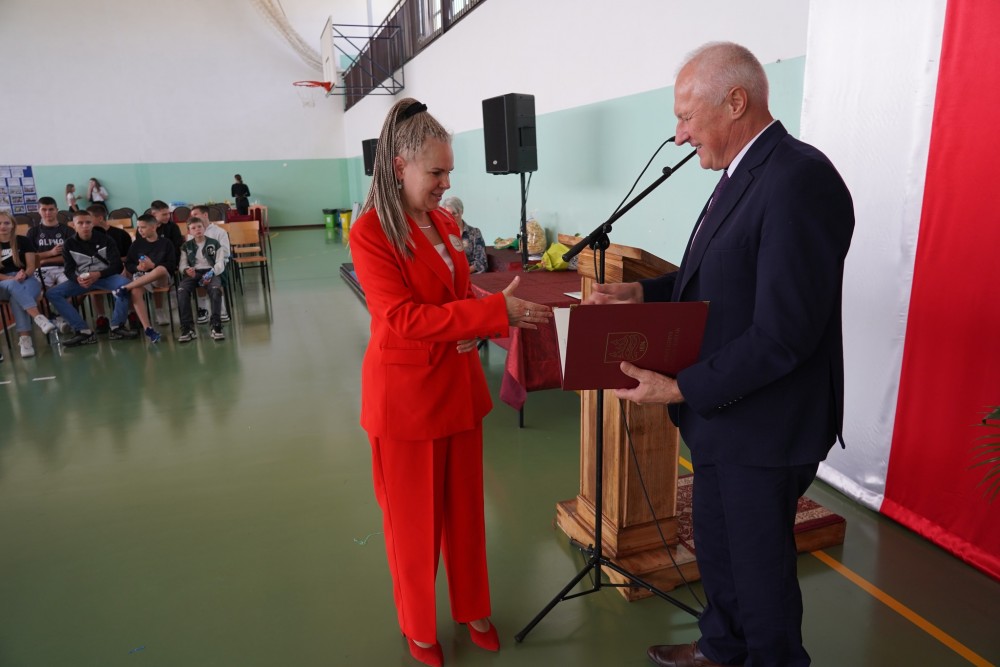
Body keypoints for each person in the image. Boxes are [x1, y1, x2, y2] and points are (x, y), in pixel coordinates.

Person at [587, 43, 854, 667]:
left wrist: (679, 388)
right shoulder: (742, 174)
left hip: (766, 425)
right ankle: (721, 649)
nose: (679, 136)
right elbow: (720, 279)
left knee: (760, 579)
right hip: (724, 416)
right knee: (719, 551)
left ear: (736, 101)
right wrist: (643, 293)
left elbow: (784, 334)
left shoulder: (798, 179)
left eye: (686, 117)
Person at [350, 97, 553, 667]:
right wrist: (486, 316)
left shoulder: (445, 223)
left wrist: (482, 315)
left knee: (465, 514)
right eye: (436, 173)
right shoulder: (371, 232)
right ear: (400, 167)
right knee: (412, 525)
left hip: (458, 391)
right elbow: (401, 318)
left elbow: (457, 295)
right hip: (407, 401)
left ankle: (473, 608)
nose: (446, 185)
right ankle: (418, 626)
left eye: (449, 173)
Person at [46, 210, 139, 347]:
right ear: (73, 225)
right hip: (83, 280)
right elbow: (69, 270)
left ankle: (117, 327)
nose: (85, 226)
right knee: (52, 293)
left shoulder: (106, 239)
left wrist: (99, 274)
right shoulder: (68, 244)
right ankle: (83, 331)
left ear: (92, 224)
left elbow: (117, 265)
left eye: (88, 222)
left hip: (105, 277)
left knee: (125, 285)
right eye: (80, 223)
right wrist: (77, 279)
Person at [0, 211, 56, 358]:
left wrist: (24, 275)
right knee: (13, 286)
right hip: (2, 283)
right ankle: (39, 318)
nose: (3, 226)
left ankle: (25, 341)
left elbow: (31, 266)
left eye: (6, 223)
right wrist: (11, 278)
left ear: (13, 225)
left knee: (16, 297)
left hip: (26, 279)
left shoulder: (23, 241)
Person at [115, 214, 178, 344]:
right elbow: (129, 264)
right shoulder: (136, 244)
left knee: (160, 269)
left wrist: (152, 266)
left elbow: (172, 265)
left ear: (153, 227)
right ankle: (148, 329)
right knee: (136, 291)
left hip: (160, 278)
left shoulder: (166, 243)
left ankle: (126, 287)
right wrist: (137, 267)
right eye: (138, 227)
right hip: (142, 277)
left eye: (143, 227)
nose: (140, 230)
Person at [176, 217, 226, 342]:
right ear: (189, 232)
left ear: (204, 228)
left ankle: (216, 324)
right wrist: (186, 270)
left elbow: (220, 262)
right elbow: (182, 264)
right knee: (182, 290)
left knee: (215, 290)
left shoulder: (214, 243)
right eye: (193, 228)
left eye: (199, 227)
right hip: (194, 273)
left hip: (211, 271)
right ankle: (187, 328)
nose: (197, 230)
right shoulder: (186, 246)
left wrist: (212, 272)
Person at [189, 204, 231, 323]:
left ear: (205, 215)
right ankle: (202, 309)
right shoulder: (191, 232)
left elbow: (226, 252)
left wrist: (211, 258)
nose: (193, 217)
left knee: (218, 274)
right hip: (199, 265)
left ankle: (221, 309)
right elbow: (189, 252)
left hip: (217, 264)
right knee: (197, 274)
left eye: (195, 214)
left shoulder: (219, 232)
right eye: (192, 215)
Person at [441, 196, 487, 274]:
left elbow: (481, 262)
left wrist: (462, 274)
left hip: (471, 275)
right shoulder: (441, 233)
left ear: (461, 212)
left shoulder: (474, 233)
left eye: (454, 213)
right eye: (448, 214)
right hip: (449, 276)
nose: (451, 217)